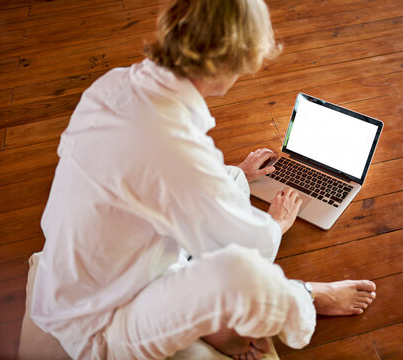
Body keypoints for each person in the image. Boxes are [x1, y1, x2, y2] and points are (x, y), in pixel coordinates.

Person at [24, 0, 376, 359]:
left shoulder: (112, 85)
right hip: (103, 328)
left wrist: (232, 175)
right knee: (244, 271)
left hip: (73, 283)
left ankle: (210, 324)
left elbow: (151, 177)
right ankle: (309, 295)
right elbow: (247, 248)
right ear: (231, 60)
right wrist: (276, 224)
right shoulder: (175, 147)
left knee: (223, 201)